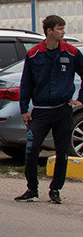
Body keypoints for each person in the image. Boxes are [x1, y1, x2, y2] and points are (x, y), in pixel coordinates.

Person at [15, 14, 83, 203]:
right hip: (40, 111)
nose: (63, 31)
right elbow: (26, 82)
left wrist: (80, 100)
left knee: (62, 152)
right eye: (60, 28)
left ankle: (55, 190)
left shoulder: (71, 52)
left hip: (62, 111)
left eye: (63, 28)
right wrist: (24, 109)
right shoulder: (34, 54)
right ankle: (32, 190)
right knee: (31, 150)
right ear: (49, 31)